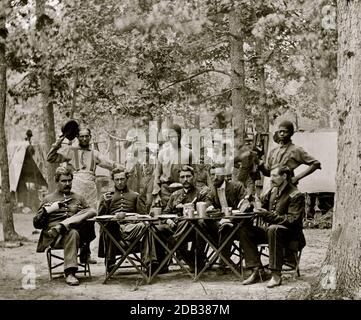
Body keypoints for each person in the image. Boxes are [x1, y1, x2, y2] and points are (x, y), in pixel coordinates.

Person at [47, 127, 123, 263]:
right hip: (75, 188)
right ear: (77, 137)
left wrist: (122, 167)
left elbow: (109, 163)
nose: (84, 139)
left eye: (86, 136)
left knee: (89, 220)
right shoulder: (71, 152)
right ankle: (72, 253)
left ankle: (85, 253)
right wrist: (59, 141)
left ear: (90, 137)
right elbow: (51, 157)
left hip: (90, 189)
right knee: (75, 217)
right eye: (81, 136)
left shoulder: (95, 154)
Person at [239, 165, 306, 288]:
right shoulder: (273, 191)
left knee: (273, 229)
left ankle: (276, 275)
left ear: (284, 176)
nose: (271, 179)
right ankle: (257, 270)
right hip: (272, 233)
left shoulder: (296, 195)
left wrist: (268, 215)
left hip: (291, 235)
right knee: (244, 230)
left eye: (275, 176)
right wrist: (250, 204)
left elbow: (292, 220)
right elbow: (262, 206)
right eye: (271, 176)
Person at [33, 167, 97, 286]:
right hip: (56, 237)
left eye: (69, 180)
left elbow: (91, 215)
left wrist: (79, 214)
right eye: (63, 181)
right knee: (72, 232)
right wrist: (46, 211)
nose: (67, 184)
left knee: (91, 211)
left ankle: (64, 225)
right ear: (57, 181)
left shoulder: (79, 198)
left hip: (77, 236)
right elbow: (37, 224)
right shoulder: (48, 199)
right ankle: (70, 273)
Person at [97, 168, 158, 273]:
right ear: (113, 180)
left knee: (146, 226)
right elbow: (100, 218)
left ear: (127, 179)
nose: (120, 182)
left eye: (122, 179)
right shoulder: (107, 197)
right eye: (117, 179)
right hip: (114, 231)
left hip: (132, 228)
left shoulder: (135, 196)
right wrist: (105, 204)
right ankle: (110, 262)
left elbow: (142, 216)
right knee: (110, 226)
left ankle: (149, 262)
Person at [157, 165, 209, 272]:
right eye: (183, 177)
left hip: (194, 228)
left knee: (190, 221)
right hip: (176, 227)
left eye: (188, 176)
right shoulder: (175, 195)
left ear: (193, 177)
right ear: (179, 179)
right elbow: (165, 213)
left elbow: (205, 210)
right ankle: (160, 263)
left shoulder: (200, 193)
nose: (185, 179)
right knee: (157, 229)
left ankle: (174, 242)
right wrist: (168, 220)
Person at [204, 164, 248, 274]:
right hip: (220, 225)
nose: (214, 177)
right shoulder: (211, 190)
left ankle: (222, 263)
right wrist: (211, 208)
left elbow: (245, 204)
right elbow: (208, 203)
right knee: (203, 224)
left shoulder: (237, 187)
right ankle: (224, 261)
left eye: (218, 175)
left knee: (225, 228)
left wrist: (231, 218)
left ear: (224, 175)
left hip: (239, 224)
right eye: (212, 174)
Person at [259, 120, 321, 185]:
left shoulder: (296, 150)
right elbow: (269, 173)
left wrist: (297, 178)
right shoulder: (273, 151)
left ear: (291, 133)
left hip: (288, 187)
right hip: (274, 187)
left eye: (285, 131)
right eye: (280, 131)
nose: (282, 134)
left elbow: (316, 164)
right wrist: (261, 167)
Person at [152, 124, 193, 209]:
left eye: (175, 136)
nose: (172, 139)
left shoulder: (188, 153)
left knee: (183, 213)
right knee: (166, 214)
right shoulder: (162, 153)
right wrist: (156, 193)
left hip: (183, 189)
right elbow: (157, 175)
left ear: (180, 136)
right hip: (166, 189)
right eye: (170, 136)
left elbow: (193, 173)